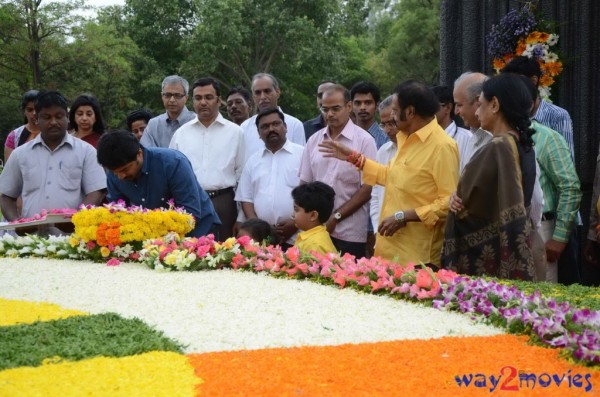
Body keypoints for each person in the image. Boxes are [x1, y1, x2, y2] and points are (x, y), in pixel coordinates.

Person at [319, 80, 459, 266]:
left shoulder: (442, 146)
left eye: (394, 110)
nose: (391, 116)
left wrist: (404, 216)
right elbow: (392, 177)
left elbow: (448, 202)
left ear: (409, 112)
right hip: (389, 250)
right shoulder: (406, 138)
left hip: (418, 258)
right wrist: (354, 158)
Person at [442, 73, 537, 280]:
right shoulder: (523, 143)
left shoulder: (498, 147)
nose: (477, 111)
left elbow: (470, 202)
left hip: (489, 260)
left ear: (494, 105)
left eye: (481, 104)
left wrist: (458, 203)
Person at [0, 90, 106, 222]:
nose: (54, 122)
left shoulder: (86, 151)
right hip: (30, 238)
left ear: (67, 117)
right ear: (37, 119)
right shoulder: (20, 154)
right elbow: (6, 196)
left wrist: (78, 220)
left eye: (59, 116)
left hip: (73, 237)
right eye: (47, 117)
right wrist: (17, 224)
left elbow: (96, 191)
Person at [299, 84, 377, 259]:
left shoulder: (365, 141)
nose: (330, 114)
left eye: (336, 109)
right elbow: (305, 184)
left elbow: (367, 189)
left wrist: (336, 217)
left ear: (349, 107)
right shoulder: (314, 140)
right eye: (325, 109)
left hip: (349, 232)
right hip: (316, 231)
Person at [96, 130, 220, 238]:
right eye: (115, 172)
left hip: (198, 231)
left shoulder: (173, 163)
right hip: (151, 238)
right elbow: (118, 212)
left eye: (125, 170)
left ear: (139, 154)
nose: (121, 177)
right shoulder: (114, 173)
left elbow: (190, 212)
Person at [169, 77, 245, 240]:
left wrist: (241, 217)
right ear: (192, 101)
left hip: (224, 202)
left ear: (218, 101)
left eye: (208, 97)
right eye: (198, 98)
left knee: (225, 254)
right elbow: (171, 175)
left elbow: (243, 176)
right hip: (189, 203)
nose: (203, 102)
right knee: (188, 255)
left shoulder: (235, 132)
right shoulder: (181, 134)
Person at [235, 108, 303, 248]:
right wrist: (260, 229)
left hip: (297, 236)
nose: (271, 129)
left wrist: (295, 223)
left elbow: (312, 196)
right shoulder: (253, 161)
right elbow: (246, 199)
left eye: (276, 124)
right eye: (264, 127)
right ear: (259, 133)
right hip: (262, 240)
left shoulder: (303, 155)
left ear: (285, 127)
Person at [502, 56, 575, 158]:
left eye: (516, 83)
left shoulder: (557, 115)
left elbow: (566, 162)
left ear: (533, 80)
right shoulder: (507, 114)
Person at [241, 73, 306, 159]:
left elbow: (301, 160)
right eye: (258, 93)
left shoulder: (295, 125)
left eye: (267, 91)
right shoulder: (245, 128)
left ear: (278, 92)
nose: (262, 97)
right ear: (253, 97)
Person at [140, 75, 195, 148]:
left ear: (186, 98)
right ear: (162, 96)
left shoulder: (196, 122)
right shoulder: (153, 125)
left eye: (177, 95)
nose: (172, 100)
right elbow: (147, 154)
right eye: (167, 95)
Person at [453, 72, 493, 169]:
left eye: (459, 105)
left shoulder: (502, 142)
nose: (456, 112)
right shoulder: (474, 136)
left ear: (478, 101)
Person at [370, 96, 398, 233]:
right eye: (383, 124)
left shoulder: (422, 151)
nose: (387, 130)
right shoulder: (383, 151)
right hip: (383, 235)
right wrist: (377, 229)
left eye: (392, 123)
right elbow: (375, 194)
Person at [432, 85, 472, 172]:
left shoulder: (467, 138)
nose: (428, 111)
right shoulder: (423, 138)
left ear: (448, 108)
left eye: (432, 106)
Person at [291, 181, 337, 255]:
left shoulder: (314, 245)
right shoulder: (312, 237)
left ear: (313, 215)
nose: (292, 214)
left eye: (296, 210)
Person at [350, 81, 389, 149]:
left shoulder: (387, 138)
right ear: (351, 106)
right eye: (358, 103)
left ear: (377, 106)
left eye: (368, 103)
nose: (362, 108)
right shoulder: (345, 136)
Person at [4, 90, 40, 162]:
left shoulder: (51, 133)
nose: (34, 113)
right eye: (30, 110)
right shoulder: (14, 136)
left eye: (37, 109)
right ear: (24, 111)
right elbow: (9, 167)